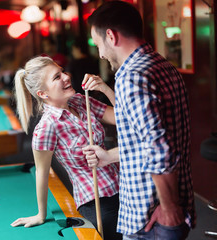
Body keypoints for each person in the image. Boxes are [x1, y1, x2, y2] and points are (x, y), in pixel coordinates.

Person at [82, 1, 195, 239]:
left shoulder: (130, 77)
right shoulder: (163, 65)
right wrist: (109, 156)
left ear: (111, 36)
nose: (101, 54)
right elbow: (147, 141)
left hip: (150, 216)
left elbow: (159, 149)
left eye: (98, 44)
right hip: (170, 206)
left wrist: (168, 208)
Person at [11, 56, 122, 240]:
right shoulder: (46, 127)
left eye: (62, 71)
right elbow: (41, 171)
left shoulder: (80, 100)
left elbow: (124, 118)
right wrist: (41, 214)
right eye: (56, 77)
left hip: (124, 187)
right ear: (43, 94)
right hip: (97, 203)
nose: (66, 76)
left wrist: (105, 88)